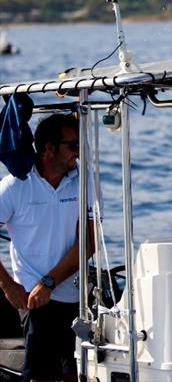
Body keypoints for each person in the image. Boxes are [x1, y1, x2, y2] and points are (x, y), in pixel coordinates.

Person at [0, 113, 99, 382]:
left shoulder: (84, 180)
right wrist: (8, 285)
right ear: (49, 148)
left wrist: (50, 281)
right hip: (34, 297)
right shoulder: (14, 187)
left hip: (74, 293)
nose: (78, 153)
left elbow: (89, 242)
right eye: (73, 145)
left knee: (75, 375)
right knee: (40, 376)